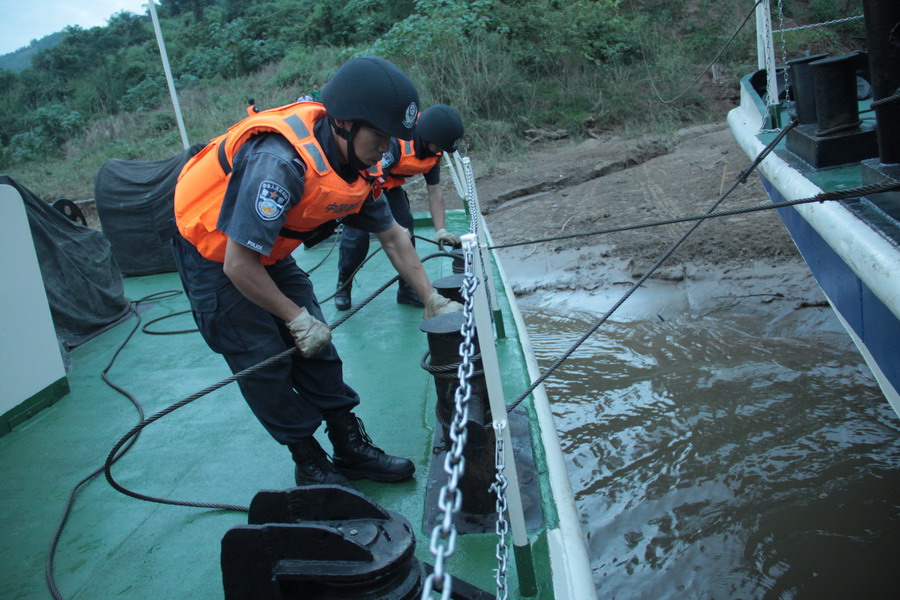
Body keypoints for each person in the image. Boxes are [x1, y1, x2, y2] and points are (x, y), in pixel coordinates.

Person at [170, 57, 461, 487]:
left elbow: (394, 235)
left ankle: (349, 446)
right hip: (215, 253)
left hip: (268, 250)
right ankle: (308, 459)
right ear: (343, 123)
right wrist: (294, 317)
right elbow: (238, 264)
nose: (386, 149)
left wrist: (431, 298)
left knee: (318, 345)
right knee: (262, 357)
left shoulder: (361, 168)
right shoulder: (279, 163)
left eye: (391, 139)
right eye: (379, 137)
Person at [334, 104, 465, 310]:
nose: (440, 152)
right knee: (356, 239)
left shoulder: (434, 152)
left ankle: (407, 289)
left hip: (391, 187)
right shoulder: (395, 145)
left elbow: (435, 191)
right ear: (427, 137)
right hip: (365, 188)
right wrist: (392, 227)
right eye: (439, 147)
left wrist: (440, 229)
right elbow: (372, 181)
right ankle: (344, 284)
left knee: (407, 227)